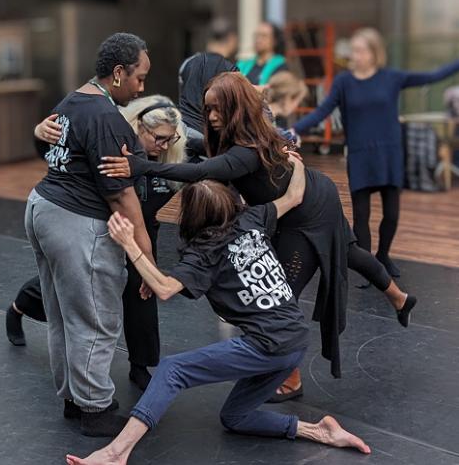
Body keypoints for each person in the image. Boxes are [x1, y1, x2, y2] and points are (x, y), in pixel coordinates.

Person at [125, 72, 417, 401]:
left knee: (277, 295)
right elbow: (221, 138)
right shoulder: (253, 128)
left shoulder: (246, 151)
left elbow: (200, 172)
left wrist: (141, 167)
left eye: (218, 109)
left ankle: (290, 381)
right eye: (208, 110)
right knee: (348, 252)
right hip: (318, 193)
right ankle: (400, 298)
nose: (212, 117)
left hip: (305, 212)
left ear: (235, 107)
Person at [66, 158, 372, 465]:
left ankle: (116, 453)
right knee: (235, 417)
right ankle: (319, 431)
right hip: (294, 342)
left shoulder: (204, 253)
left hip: (270, 344)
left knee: (173, 370)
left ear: (192, 217)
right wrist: (296, 161)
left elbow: (165, 289)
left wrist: (129, 244)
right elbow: (294, 195)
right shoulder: (253, 218)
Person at [8, 96, 188, 391]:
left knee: (141, 296)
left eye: (171, 139)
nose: (164, 146)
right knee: (61, 288)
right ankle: (16, 310)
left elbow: (210, 159)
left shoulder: (169, 154)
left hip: (142, 236)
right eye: (159, 138)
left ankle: (140, 365)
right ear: (138, 127)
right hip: (107, 231)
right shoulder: (110, 145)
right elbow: (58, 152)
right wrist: (38, 133)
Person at [25, 32, 153, 437]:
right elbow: (121, 194)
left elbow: (52, 153)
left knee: (64, 314)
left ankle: (75, 398)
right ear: (118, 73)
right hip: (75, 221)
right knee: (95, 318)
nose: (142, 87)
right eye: (139, 78)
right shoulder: (104, 116)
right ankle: (95, 410)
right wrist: (144, 255)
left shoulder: (71, 101)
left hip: (43, 208)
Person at [293, 28, 459, 278]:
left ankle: (383, 255)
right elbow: (323, 111)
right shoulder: (343, 82)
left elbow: (432, 76)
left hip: (390, 155)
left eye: (360, 50)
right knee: (361, 215)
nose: (354, 55)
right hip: (360, 155)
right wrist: (296, 129)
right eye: (353, 50)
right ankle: (367, 264)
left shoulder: (391, 77)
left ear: (374, 53)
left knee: (392, 214)